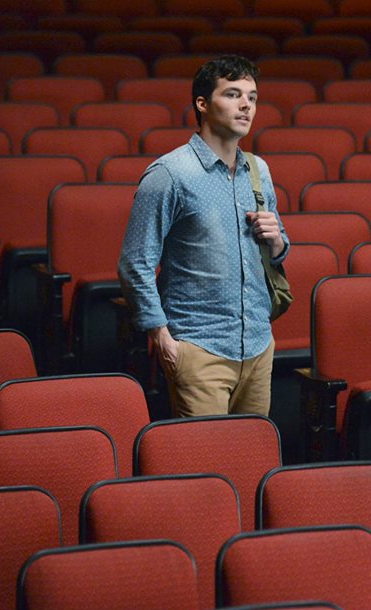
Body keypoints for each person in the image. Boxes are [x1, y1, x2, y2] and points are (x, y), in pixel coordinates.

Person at [117, 54, 289, 418]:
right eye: (232, 94)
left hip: (258, 346)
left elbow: (276, 251)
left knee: (253, 451)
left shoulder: (258, 170)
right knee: (206, 454)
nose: (246, 105)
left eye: (252, 97)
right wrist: (162, 337)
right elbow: (135, 263)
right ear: (202, 104)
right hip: (199, 348)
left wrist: (278, 243)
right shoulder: (170, 173)